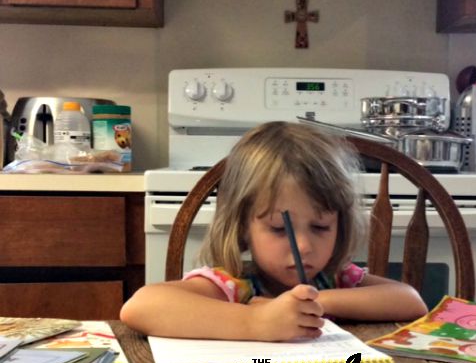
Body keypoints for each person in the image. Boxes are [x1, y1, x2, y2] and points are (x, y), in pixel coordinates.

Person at [120, 121, 427, 341]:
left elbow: (410, 300)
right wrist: (256, 321)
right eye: (280, 229)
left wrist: (320, 302)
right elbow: (140, 307)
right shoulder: (233, 285)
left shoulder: (333, 279)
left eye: (321, 226)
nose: (305, 246)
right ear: (242, 225)